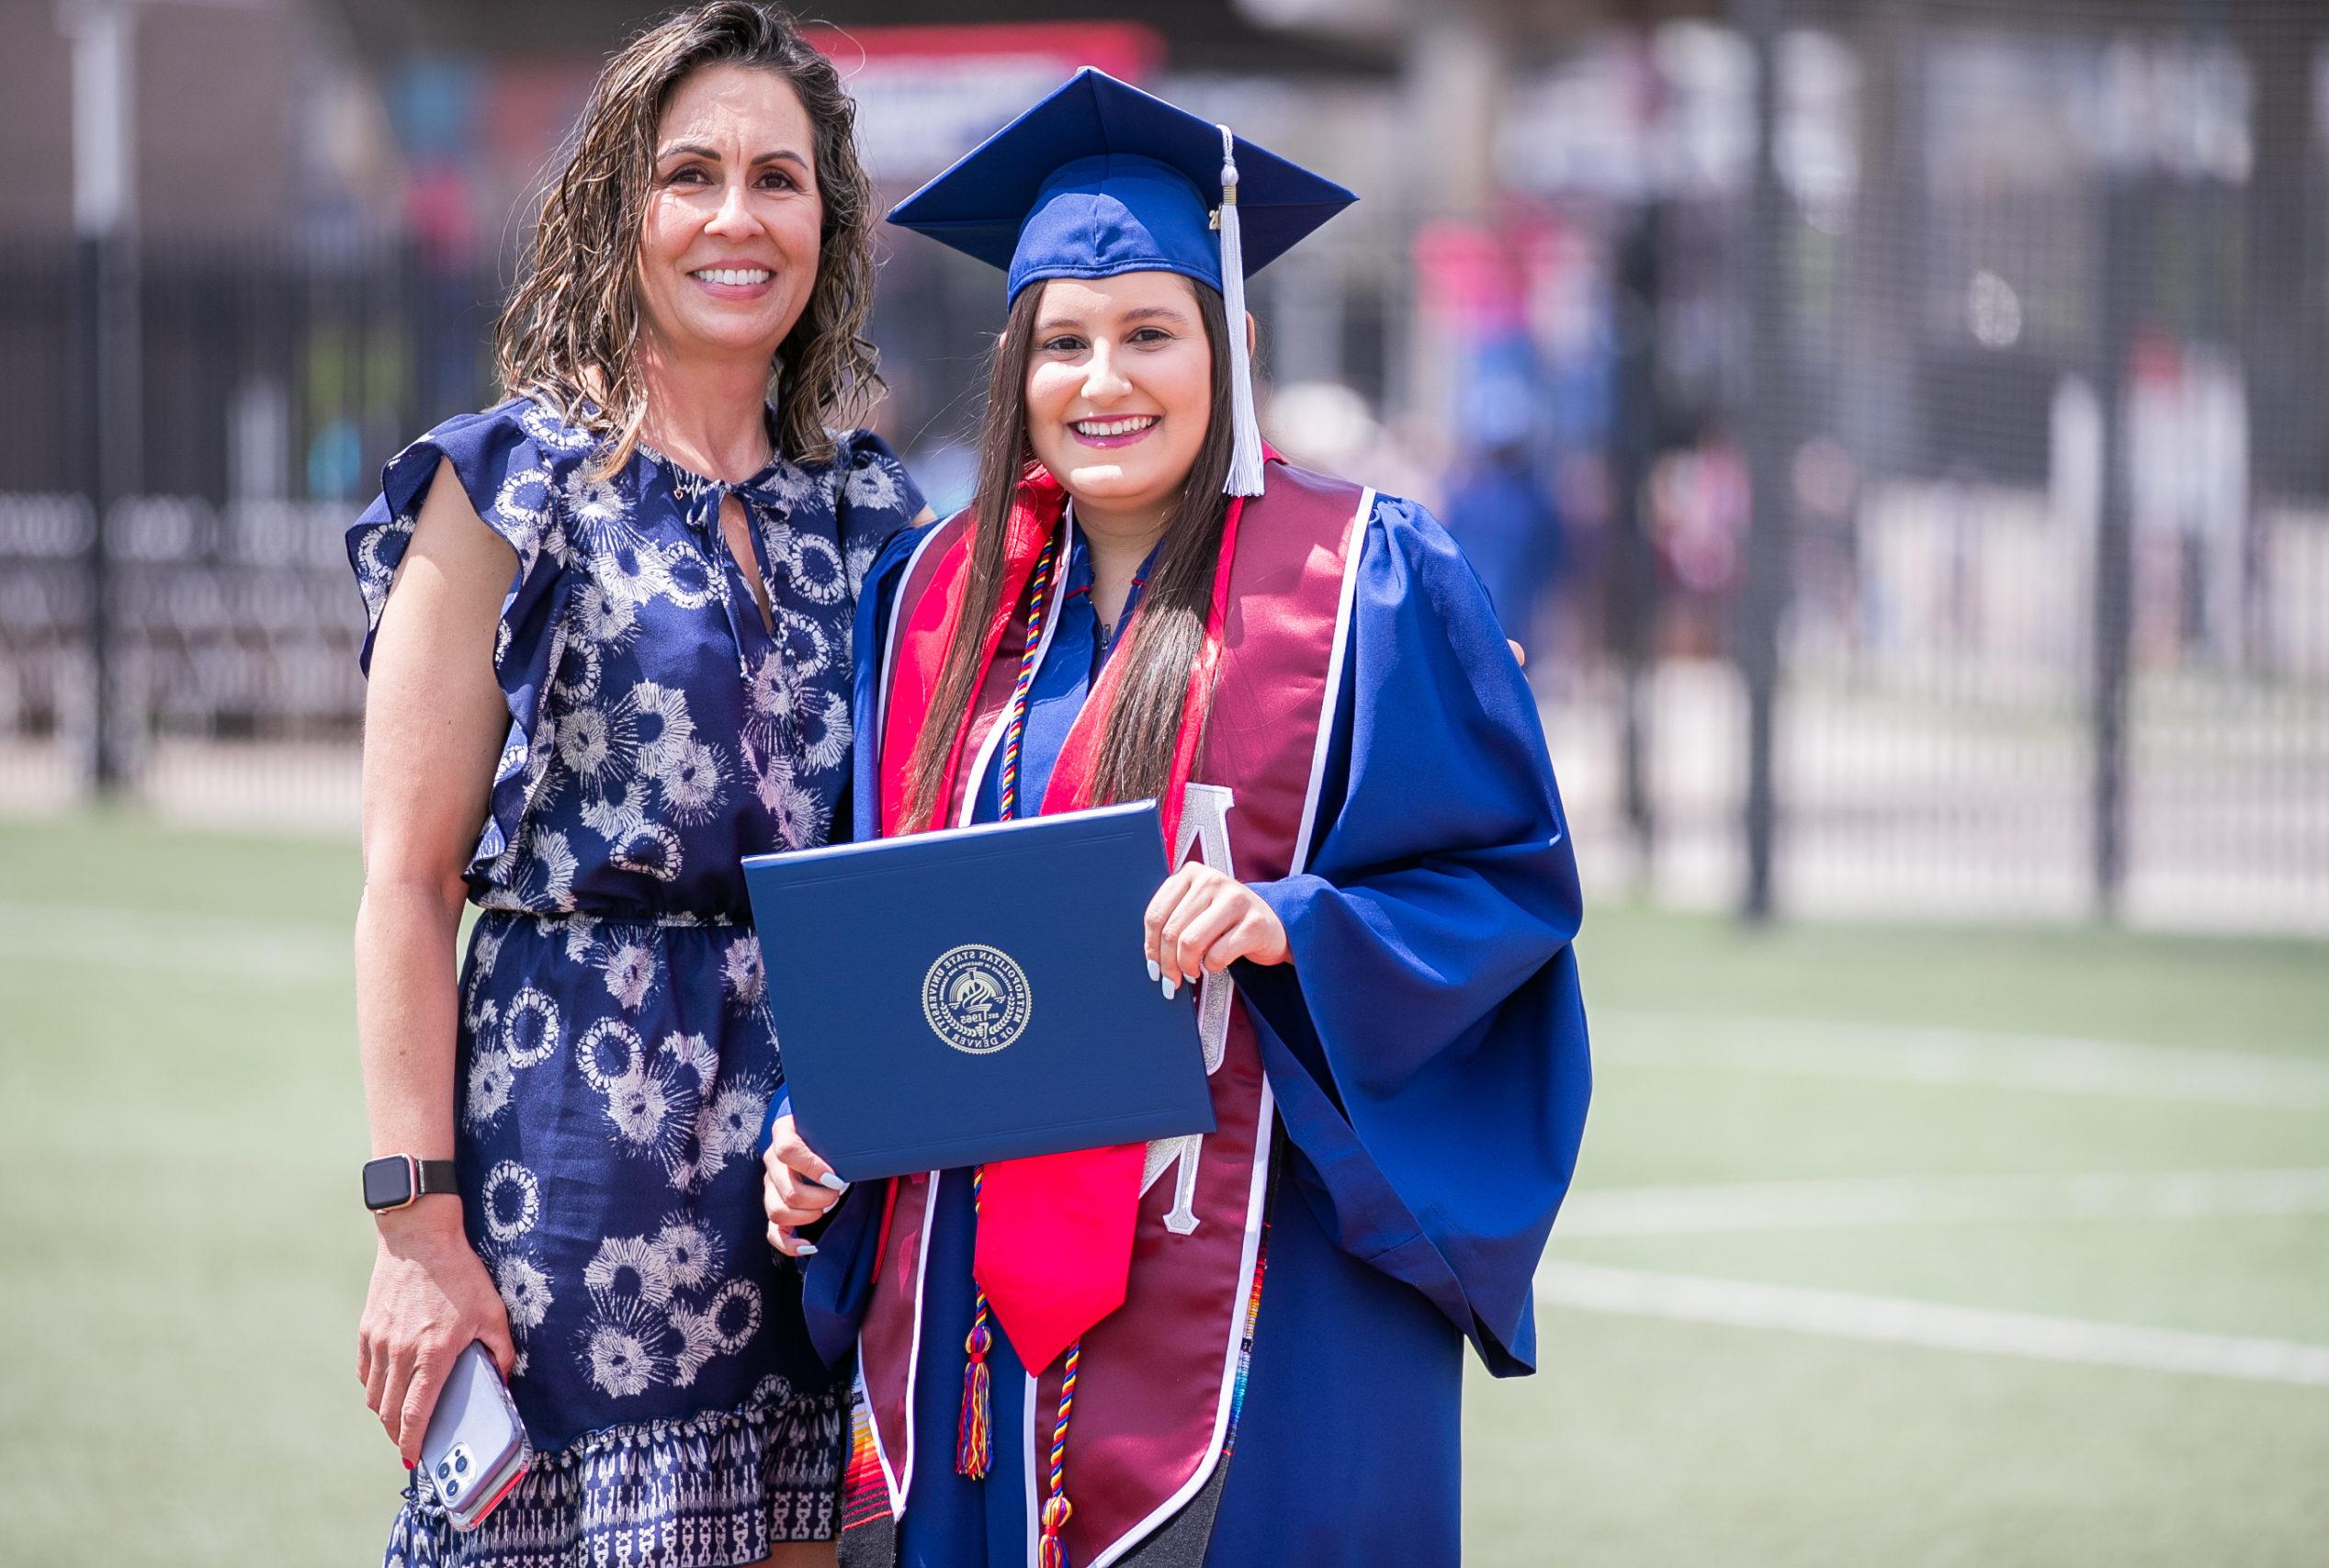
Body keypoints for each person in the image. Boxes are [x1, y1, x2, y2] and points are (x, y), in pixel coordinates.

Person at [762, 71, 1591, 1568]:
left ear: (1235, 346)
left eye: (1150, 332)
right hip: (965, 1303)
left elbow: (1507, 898)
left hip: (1266, 1279)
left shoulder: (1366, 586)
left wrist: (1295, 922)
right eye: (1062, 344)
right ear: (1016, 366)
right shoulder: (927, 609)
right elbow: (882, 935)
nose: (1104, 381)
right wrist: (810, 1125)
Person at [345, 6, 927, 1564]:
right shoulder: (510, 491)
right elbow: (404, 884)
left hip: (817, 1186)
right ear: (622, 205)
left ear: (829, 221)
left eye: (780, 179)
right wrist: (414, 1229)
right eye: (692, 174)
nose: (738, 217)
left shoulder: (877, 518)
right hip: (574, 1192)